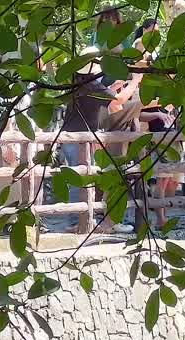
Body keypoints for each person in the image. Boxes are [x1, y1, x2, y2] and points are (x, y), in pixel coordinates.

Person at [60, 49, 120, 232]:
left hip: (72, 137)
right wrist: (135, 82)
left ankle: (79, 219)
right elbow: (118, 102)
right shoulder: (93, 85)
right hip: (79, 138)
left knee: (79, 178)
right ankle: (77, 221)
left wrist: (114, 88)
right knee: (80, 179)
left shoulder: (80, 82)